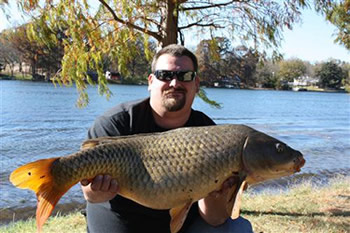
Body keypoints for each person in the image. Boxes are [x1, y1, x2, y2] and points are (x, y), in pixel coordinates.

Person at [81, 44, 253, 233]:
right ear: (150, 81)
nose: (174, 83)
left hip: (182, 223)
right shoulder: (116, 124)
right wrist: (97, 190)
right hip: (121, 220)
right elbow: (90, 195)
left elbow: (213, 218)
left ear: (196, 84)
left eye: (185, 76)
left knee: (238, 228)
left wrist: (218, 196)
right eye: (165, 75)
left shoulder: (209, 134)